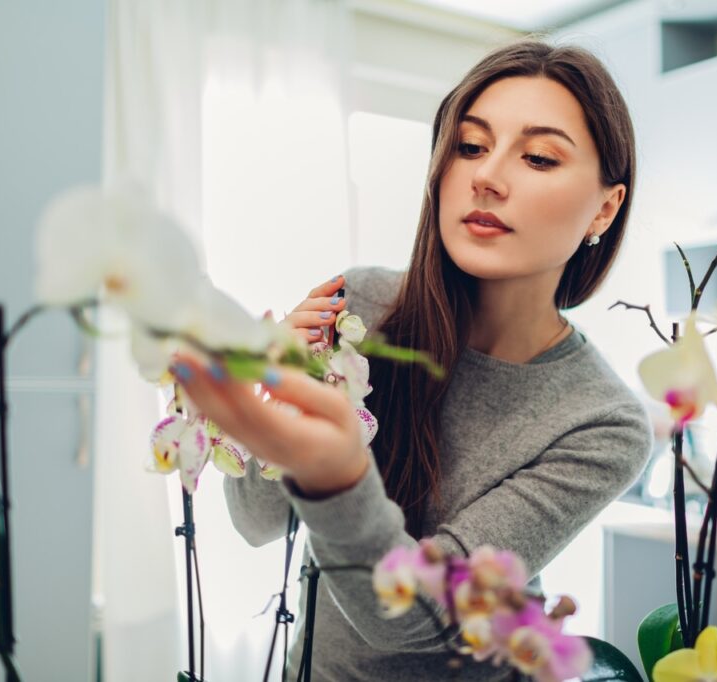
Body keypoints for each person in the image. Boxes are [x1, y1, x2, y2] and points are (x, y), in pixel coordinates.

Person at [172, 38, 653, 681]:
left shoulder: (602, 423)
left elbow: (414, 614)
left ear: (605, 206)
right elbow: (258, 524)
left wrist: (336, 470)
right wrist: (282, 397)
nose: (487, 175)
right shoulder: (362, 305)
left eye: (538, 156)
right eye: (471, 146)